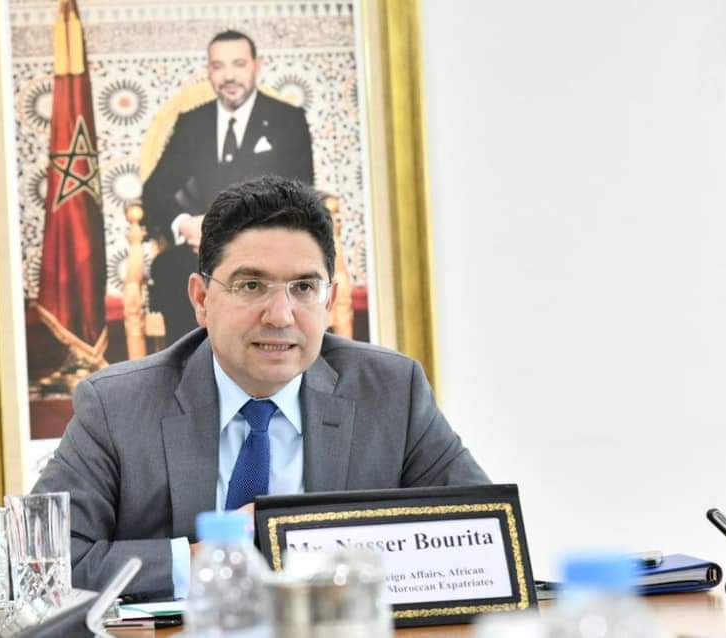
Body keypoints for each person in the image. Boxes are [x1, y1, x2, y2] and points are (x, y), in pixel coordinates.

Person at [32, 176, 489, 600]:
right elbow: (41, 564)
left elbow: (482, 540)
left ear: (329, 301)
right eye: (251, 285)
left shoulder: (392, 392)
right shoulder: (116, 406)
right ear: (201, 299)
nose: (280, 315)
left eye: (304, 287)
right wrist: (208, 561)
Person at [142, 29, 315, 345]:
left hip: (267, 247)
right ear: (209, 71)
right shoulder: (192, 123)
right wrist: (184, 224)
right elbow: (154, 192)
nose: (229, 76)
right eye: (218, 66)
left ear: (257, 67)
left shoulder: (288, 120)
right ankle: (191, 367)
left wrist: (233, 231)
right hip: (201, 253)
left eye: (238, 64)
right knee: (169, 267)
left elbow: (301, 196)